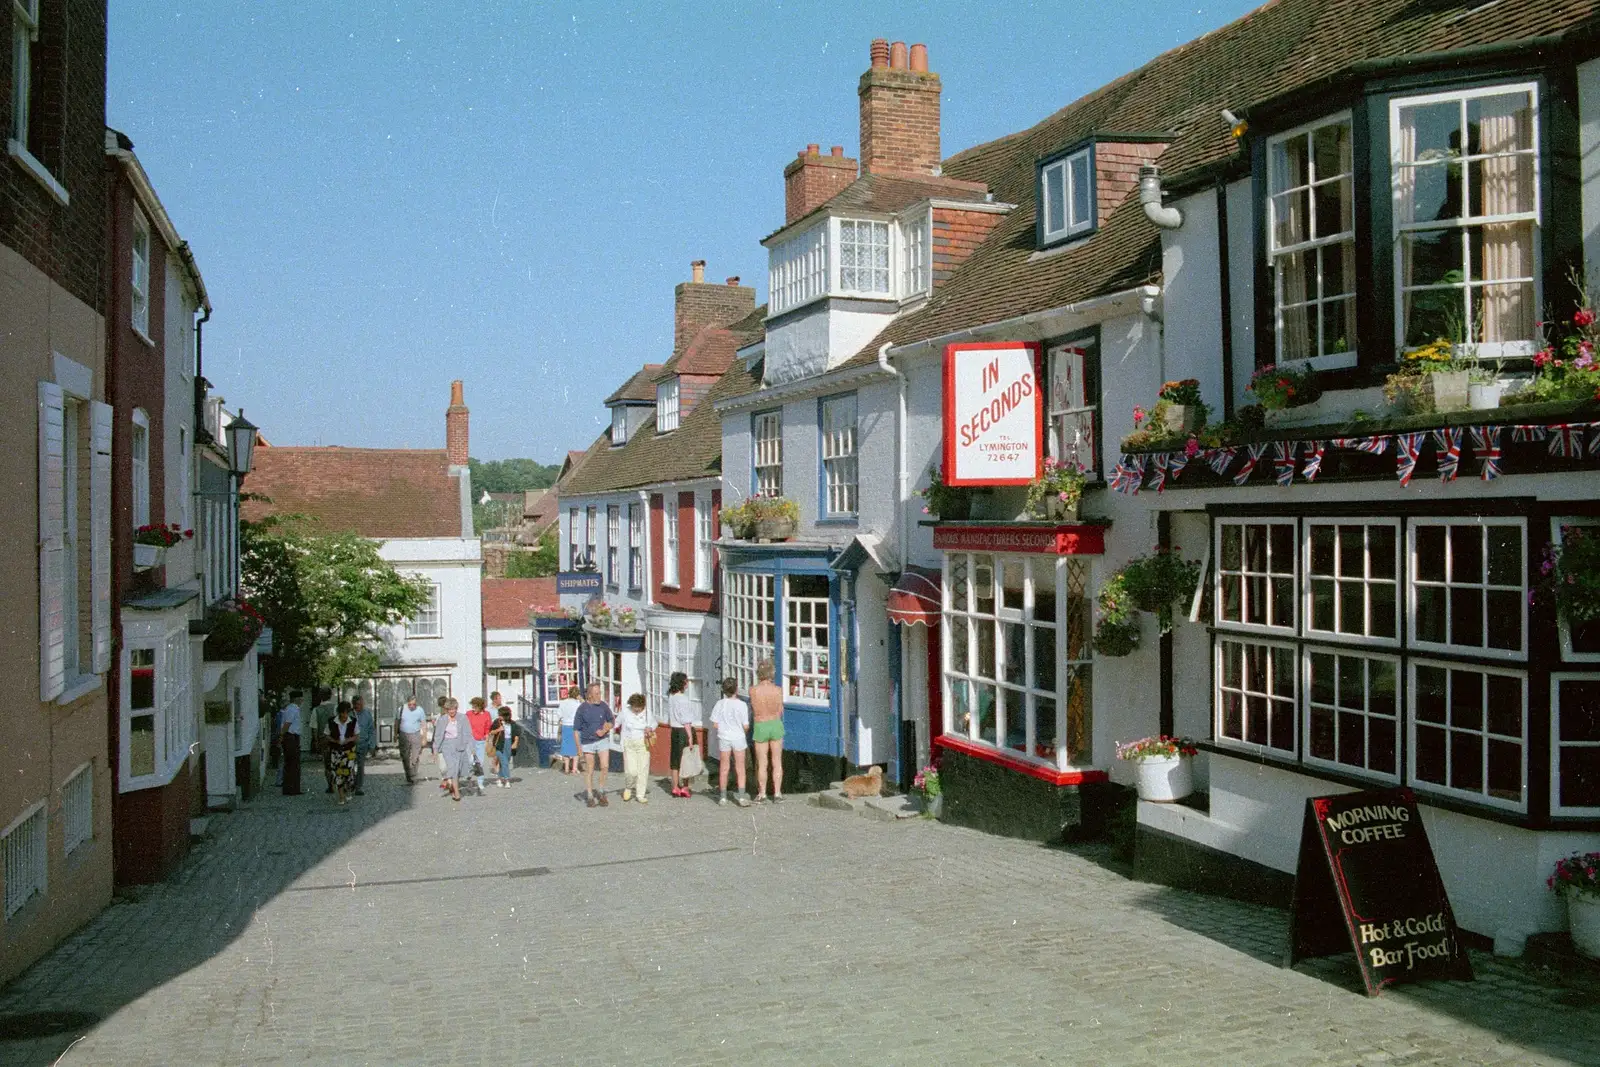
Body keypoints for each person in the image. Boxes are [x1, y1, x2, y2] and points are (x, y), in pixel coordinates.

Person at [710, 678, 751, 807]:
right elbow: (745, 726)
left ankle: (723, 797)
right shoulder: (742, 705)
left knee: (724, 767)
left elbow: (715, 724)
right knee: (740, 768)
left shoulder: (720, 704)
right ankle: (742, 796)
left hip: (724, 737)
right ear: (736, 689)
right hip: (738, 737)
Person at [573, 682, 615, 808]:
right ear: (590, 695)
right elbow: (576, 730)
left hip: (602, 740)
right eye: (597, 694)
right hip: (588, 742)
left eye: (600, 693)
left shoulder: (603, 706)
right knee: (590, 769)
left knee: (605, 766)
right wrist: (579, 749)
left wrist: (605, 729)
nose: (599, 696)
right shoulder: (582, 709)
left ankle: (601, 791)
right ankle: (590, 795)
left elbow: (611, 721)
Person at [750, 659, 785, 803]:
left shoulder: (753, 690)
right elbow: (780, 710)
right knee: (777, 761)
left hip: (761, 724)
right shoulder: (778, 690)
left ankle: (762, 793)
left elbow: (753, 708)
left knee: (762, 762)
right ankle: (777, 793)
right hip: (775, 723)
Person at [663, 671, 699, 799]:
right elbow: (686, 721)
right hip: (684, 731)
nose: (687, 683)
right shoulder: (683, 699)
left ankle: (674, 787)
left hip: (675, 731)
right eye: (686, 681)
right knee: (686, 759)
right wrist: (690, 737)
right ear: (682, 683)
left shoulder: (671, 696)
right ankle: (685, 787)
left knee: (675, 760)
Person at [433, 698, 474, 802]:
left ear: (456, 708)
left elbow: (468, 733)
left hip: (459, 745)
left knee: (458, 769)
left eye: (454, 709)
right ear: (446, 710)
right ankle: (457, 793)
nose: (452, 711)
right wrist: (435, 750)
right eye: (449, 709)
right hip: (447, 745)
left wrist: (471, 747)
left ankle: (448, 782)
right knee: (453, 768)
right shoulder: (442, 719)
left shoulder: (463, 718)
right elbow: (438, 736)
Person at [617, 693, 653, 804]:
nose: (637, 711)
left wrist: (649, 728)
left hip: (642, 743)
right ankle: (628, 787)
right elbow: (616, 723)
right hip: (629, 743)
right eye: (635, 708)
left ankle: (640, 794)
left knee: (643, 769)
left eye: (639, 708)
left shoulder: (647, 713)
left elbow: (653, 724)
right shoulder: (625, 712)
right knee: (631, 771)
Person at [327, 700, 359, 805]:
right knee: (338, 773)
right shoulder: (331, 721)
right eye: (343, 713)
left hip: (349, 750)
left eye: (347, 713)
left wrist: (348, 740)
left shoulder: (353, 721)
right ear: (339, 712)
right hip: (336, 751)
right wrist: (335, 740)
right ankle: (341, 797)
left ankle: (348, 789)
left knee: (349, 772)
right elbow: (326, 735)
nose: (345, 715)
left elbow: (356, 736)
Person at [466, 697, 494, 795]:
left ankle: (480, 782)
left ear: (480, 706)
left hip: (481, 741)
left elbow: (488, 727)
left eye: (475, 706)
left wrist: (487, 736)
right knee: (470, 761)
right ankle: (469, 780)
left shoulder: (486, 714)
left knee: (480, 762)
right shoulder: (468, 714)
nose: (473, 708)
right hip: (470, 741)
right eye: (472, 706)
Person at [395, 696, 426, 785]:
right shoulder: (401, 709)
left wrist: (424, 737)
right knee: (405, 756)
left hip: (416, 734)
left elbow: (423, 724)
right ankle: (408, 775)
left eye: (414, 704)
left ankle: (412, 771)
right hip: (403, 734)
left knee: (415, 756)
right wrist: (394, 734)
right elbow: (396, 722)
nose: (412, 706)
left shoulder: (420, 710)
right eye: (410, 705)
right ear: (407, 703)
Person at [279, 691, 304, 796]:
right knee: (292, 763)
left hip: (293, 737)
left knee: (293, 763)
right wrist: (281, 737)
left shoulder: (293, 709)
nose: (302, 700)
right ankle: (291, 789)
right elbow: (287, 724)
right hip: (290, 737)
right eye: (301, 698)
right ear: (296, 699)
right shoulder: (292, 709)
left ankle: (293, 788)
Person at [490, 707, 519, 788]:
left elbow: (516, 734)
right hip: (499, 744)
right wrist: (498, 730)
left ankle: (499, 778)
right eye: (499, 715)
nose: (499, 716)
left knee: (505, 762)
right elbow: (491, 732)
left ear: (506, 715)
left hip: (509, 743)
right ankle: (507, 780)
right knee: (505, 762)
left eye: (501, 715)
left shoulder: (512, 723)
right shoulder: (497, 722)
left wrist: (515, 743)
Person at [352, 694, 375, 795]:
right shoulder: (350, 714)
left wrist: (372, 745)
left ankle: (358, 787)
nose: (359, 706)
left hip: (363, 744)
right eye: (357, 704)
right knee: (351, 766)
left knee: (361, 766)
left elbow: (371, 730)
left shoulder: (367, 714)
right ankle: (352, 783)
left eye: (361, 704)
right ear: (354, 704)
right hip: (351, 745)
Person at [557, 685, 582, 774]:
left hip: (565, 726)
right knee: (576, 747)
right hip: (575, 726)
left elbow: (559, 715)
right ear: (577, 694)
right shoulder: (578, 704)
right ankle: (574, 768)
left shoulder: (563, 703)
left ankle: (566, 768)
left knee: (566, 747)